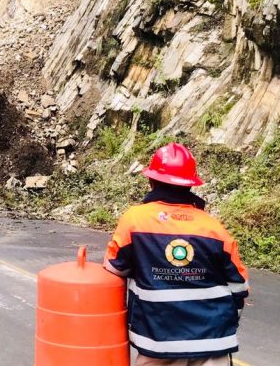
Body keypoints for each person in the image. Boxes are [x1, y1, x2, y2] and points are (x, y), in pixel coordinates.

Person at [104, 142, 249, 366]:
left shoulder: (135, 220)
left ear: (151, 181)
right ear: (191, 185)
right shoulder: (213, 227)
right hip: (212, 342)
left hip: (158, 339)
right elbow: (239, 285)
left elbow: (115, 267)